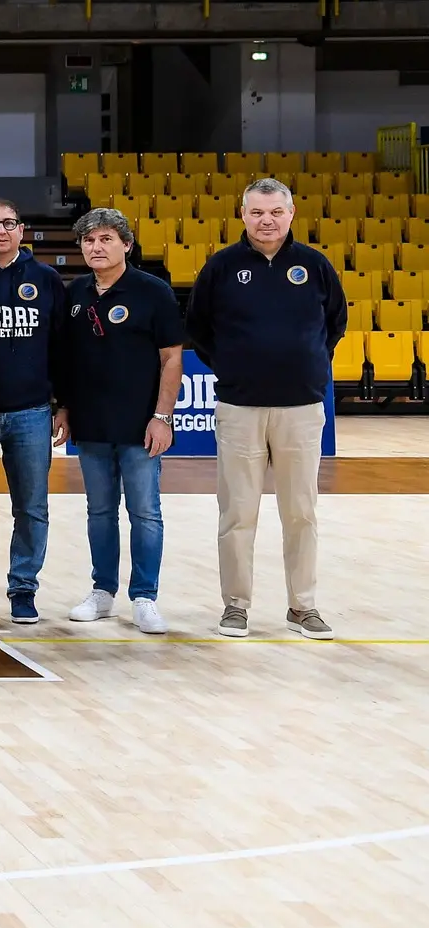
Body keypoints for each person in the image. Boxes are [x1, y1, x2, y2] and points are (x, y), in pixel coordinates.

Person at [187, 176, 346, 640]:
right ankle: (236, 606)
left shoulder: (314, 266)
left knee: (301, 511)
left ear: (291, 213)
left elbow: (335, 323)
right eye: (257, 211)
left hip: (301, 407)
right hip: (240, 407)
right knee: (238, 512)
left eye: (276, 211)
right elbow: (198, 326)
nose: (267, 219)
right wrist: (234, 368)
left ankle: (303, 606)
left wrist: (308, 362)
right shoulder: (221, 266)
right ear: (243, 215)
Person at [55, 209, 184, 636]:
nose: (96, 247)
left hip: (141, 425)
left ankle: (145, 597)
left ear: (126, 244)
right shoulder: (74, 295)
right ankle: (103, 592)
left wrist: (162, 416)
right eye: (89, 240)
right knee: (100, 511)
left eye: (106, 239)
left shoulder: (154, 292)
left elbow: (171, 359)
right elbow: (68, 361)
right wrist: (66, 410)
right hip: (91, 425)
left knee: (145, 512)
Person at [0, 196, 64, 625]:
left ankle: (24, 588)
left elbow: (62, 346)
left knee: (32, 506)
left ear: (22, 231)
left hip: (32, 410)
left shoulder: (46, 279)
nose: (1, 231)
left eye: (9, 223)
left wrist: (64, 404)